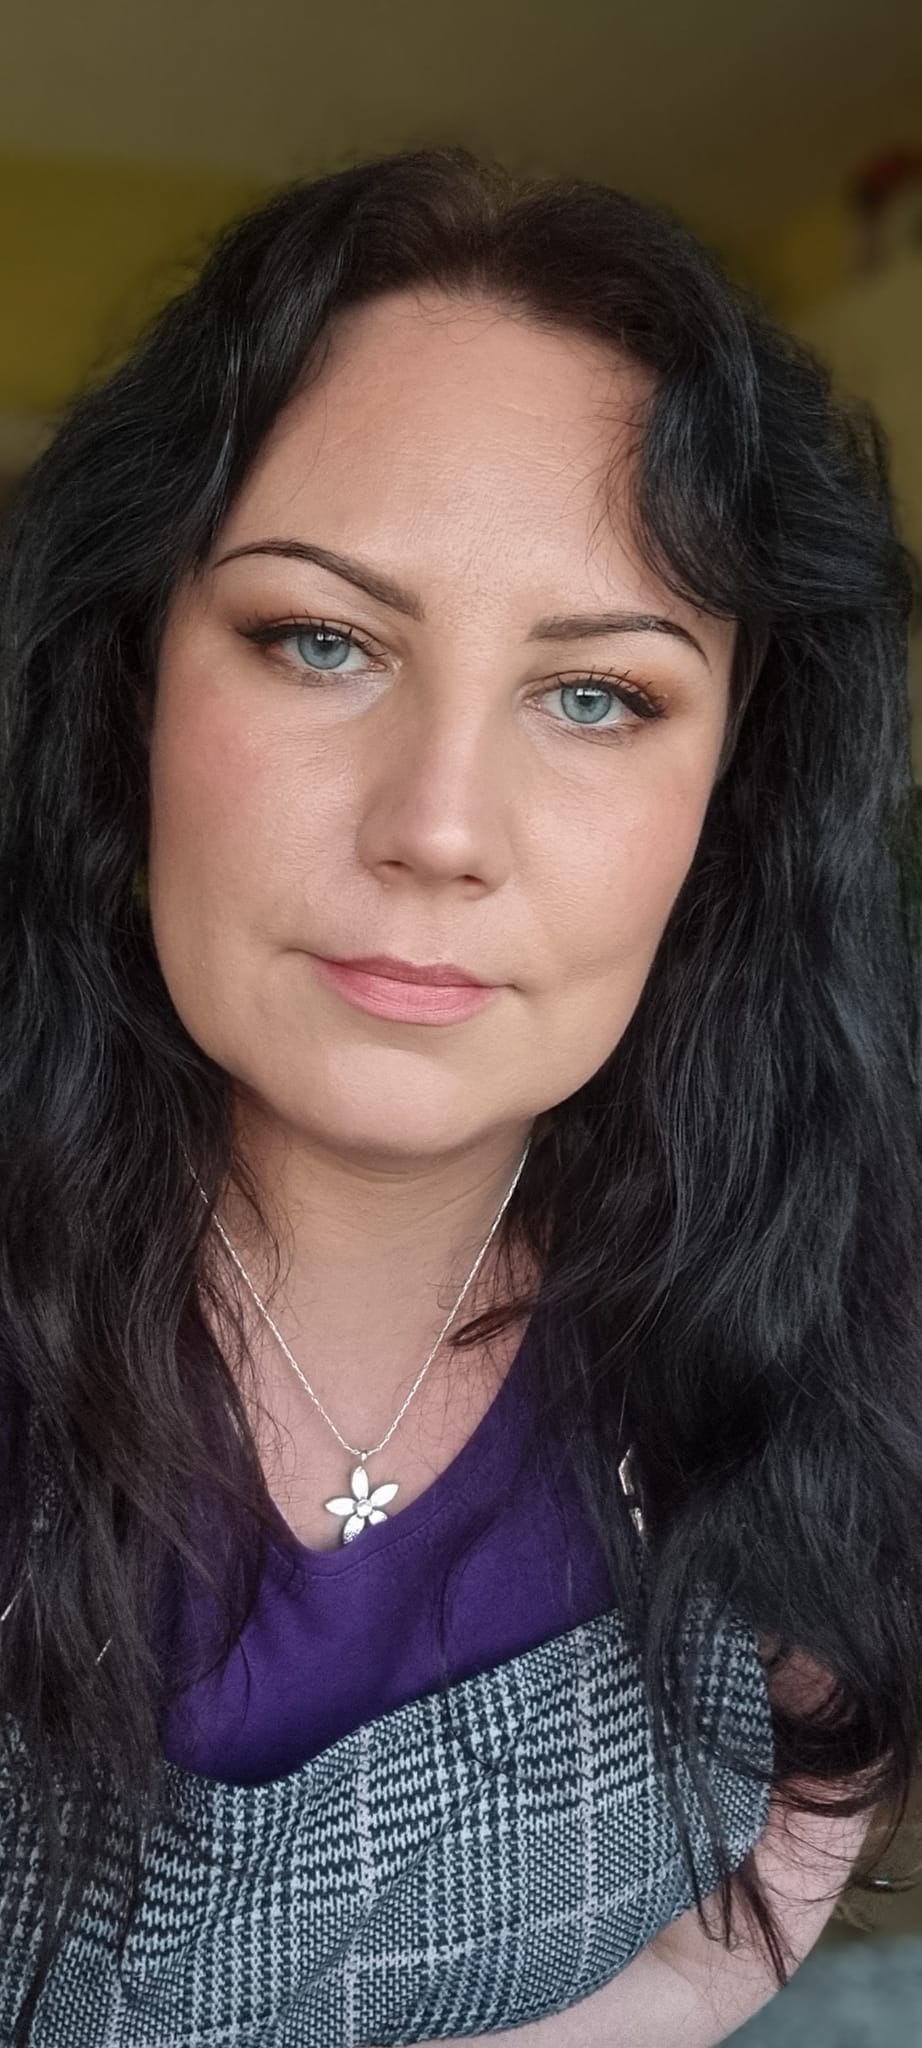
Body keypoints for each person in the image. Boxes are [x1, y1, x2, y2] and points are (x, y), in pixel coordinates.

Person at [0, 143, 919, 2048]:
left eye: (596, 696)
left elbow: (814, 1782)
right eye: (319, 640)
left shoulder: (817, 1262)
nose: (436, 826)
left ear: (728, 798)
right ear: (131, 681)